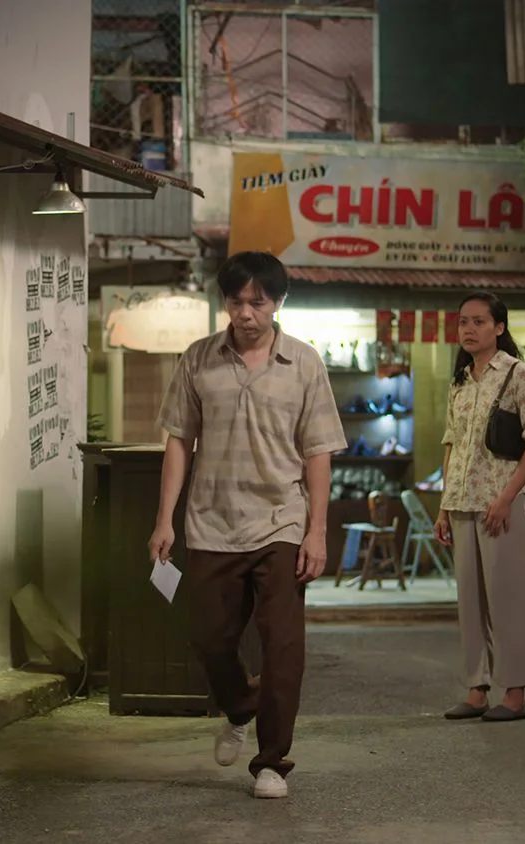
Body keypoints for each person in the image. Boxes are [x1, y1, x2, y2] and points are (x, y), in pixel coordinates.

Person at [147, 251, 346, 799]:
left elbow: (319, 452)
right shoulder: (198, 359)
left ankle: (272, 762)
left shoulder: (304, 363)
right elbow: (179, 441)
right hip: (211, 521)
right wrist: (164, 520)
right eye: (236, 302)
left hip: (282, 520)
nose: (245, 313)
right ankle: (239, 704)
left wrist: (317, 530)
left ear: (278, 302)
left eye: (257, 302)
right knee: (209, 637)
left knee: (283, 645)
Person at [433, 291, 525, 722]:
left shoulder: (521, 375)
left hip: (506, 503)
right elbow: (451, 445)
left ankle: (515, 695)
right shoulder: (460, 382)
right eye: (463, 321)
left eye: (479, 321)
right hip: (463, 503)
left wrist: (506, 498)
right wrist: (444, 507)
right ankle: (476, 689)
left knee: (510, 601)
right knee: (470, 603)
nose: (468, 329)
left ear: (499, 328)